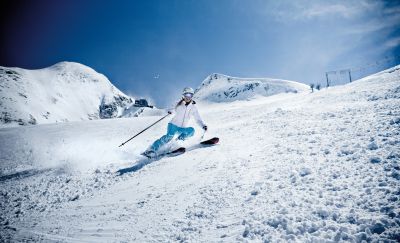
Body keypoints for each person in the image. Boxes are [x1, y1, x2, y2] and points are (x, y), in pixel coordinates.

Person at [142, 87, 207, 158]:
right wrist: (169, 111)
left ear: (192, 96)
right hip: (173, 125)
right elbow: (171, 109)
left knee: (191, 131)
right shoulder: (178, 103)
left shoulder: (193, 107)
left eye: (190, 95)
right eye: (186, 95)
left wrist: (203, 125)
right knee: (169, 136)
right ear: (183, 95)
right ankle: (151, 149)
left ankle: (175, 145)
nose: (188, 97)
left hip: (182, 128)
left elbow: (198, 119)